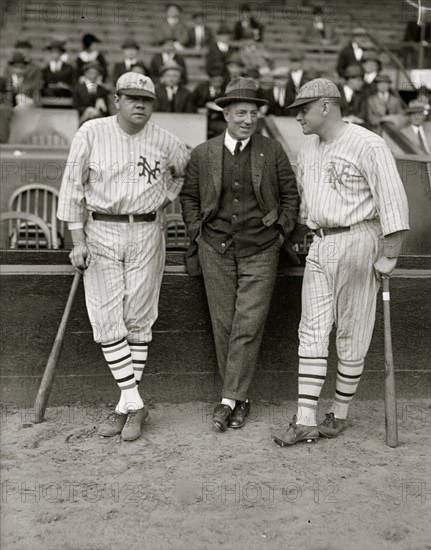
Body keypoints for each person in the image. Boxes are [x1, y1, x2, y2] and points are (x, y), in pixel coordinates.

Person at [272, 78, 409, 446]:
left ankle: (339, 412)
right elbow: (306, 205)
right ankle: (304, 419)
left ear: (326, 106)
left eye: (303, 108)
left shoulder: (368, 144)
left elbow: (393, 201)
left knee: (352, 331)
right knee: (312, 330)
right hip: (321, 242)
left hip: (359, 238)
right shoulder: (308, 149)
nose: (298, 116)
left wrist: (390, 254)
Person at [56, 72, 190, 441]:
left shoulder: (166, 139)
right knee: (105, 316)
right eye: (133, 99)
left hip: (147, 230)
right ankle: (135, 401)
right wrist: (77, 239)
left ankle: (124, 406)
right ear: (117, 100)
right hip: (100, 229)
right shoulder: (91, 132)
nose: (140, 105)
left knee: (138, 317)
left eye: (147, 100)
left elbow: (183, 171)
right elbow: (72, 186)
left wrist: (165, 197)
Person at [180, 77, 299, 432]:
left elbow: (291, 196)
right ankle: (239, 399)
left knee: (248, 324)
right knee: (225, 323)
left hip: (261, 248)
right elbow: (188, 197)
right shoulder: (203, 153)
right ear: (226, 114)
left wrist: (279, 232)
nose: (248, 119)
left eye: (253, 113)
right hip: (215, 248)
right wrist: (195, 229)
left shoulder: (271, 150)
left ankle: (227, 400)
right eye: (241, 113)